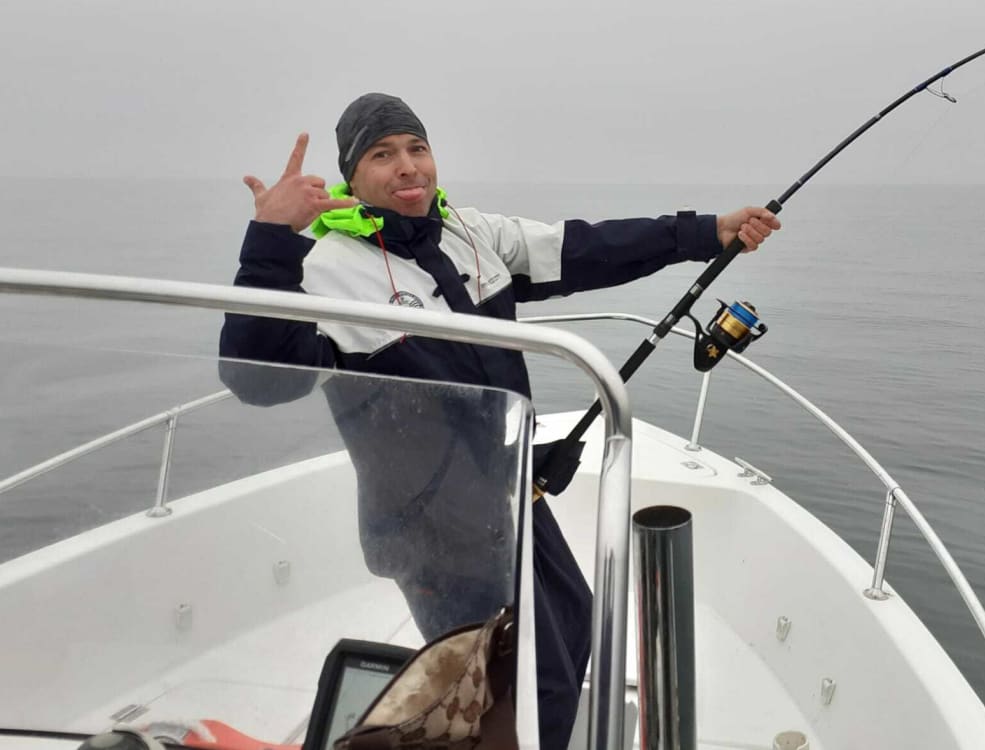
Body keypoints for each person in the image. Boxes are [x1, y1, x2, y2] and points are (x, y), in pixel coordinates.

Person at [219, 92, 780, 750]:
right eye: (382, 155)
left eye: (416, 148)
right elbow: (256, 378)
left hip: (509, 491)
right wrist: (271, 242)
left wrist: (703, 233)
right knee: (501, 686)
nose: (407, 167)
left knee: (570, 624)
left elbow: (585, 248)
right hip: (428, 524)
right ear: (352, 175)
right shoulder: (324, 271)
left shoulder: (471, 233)